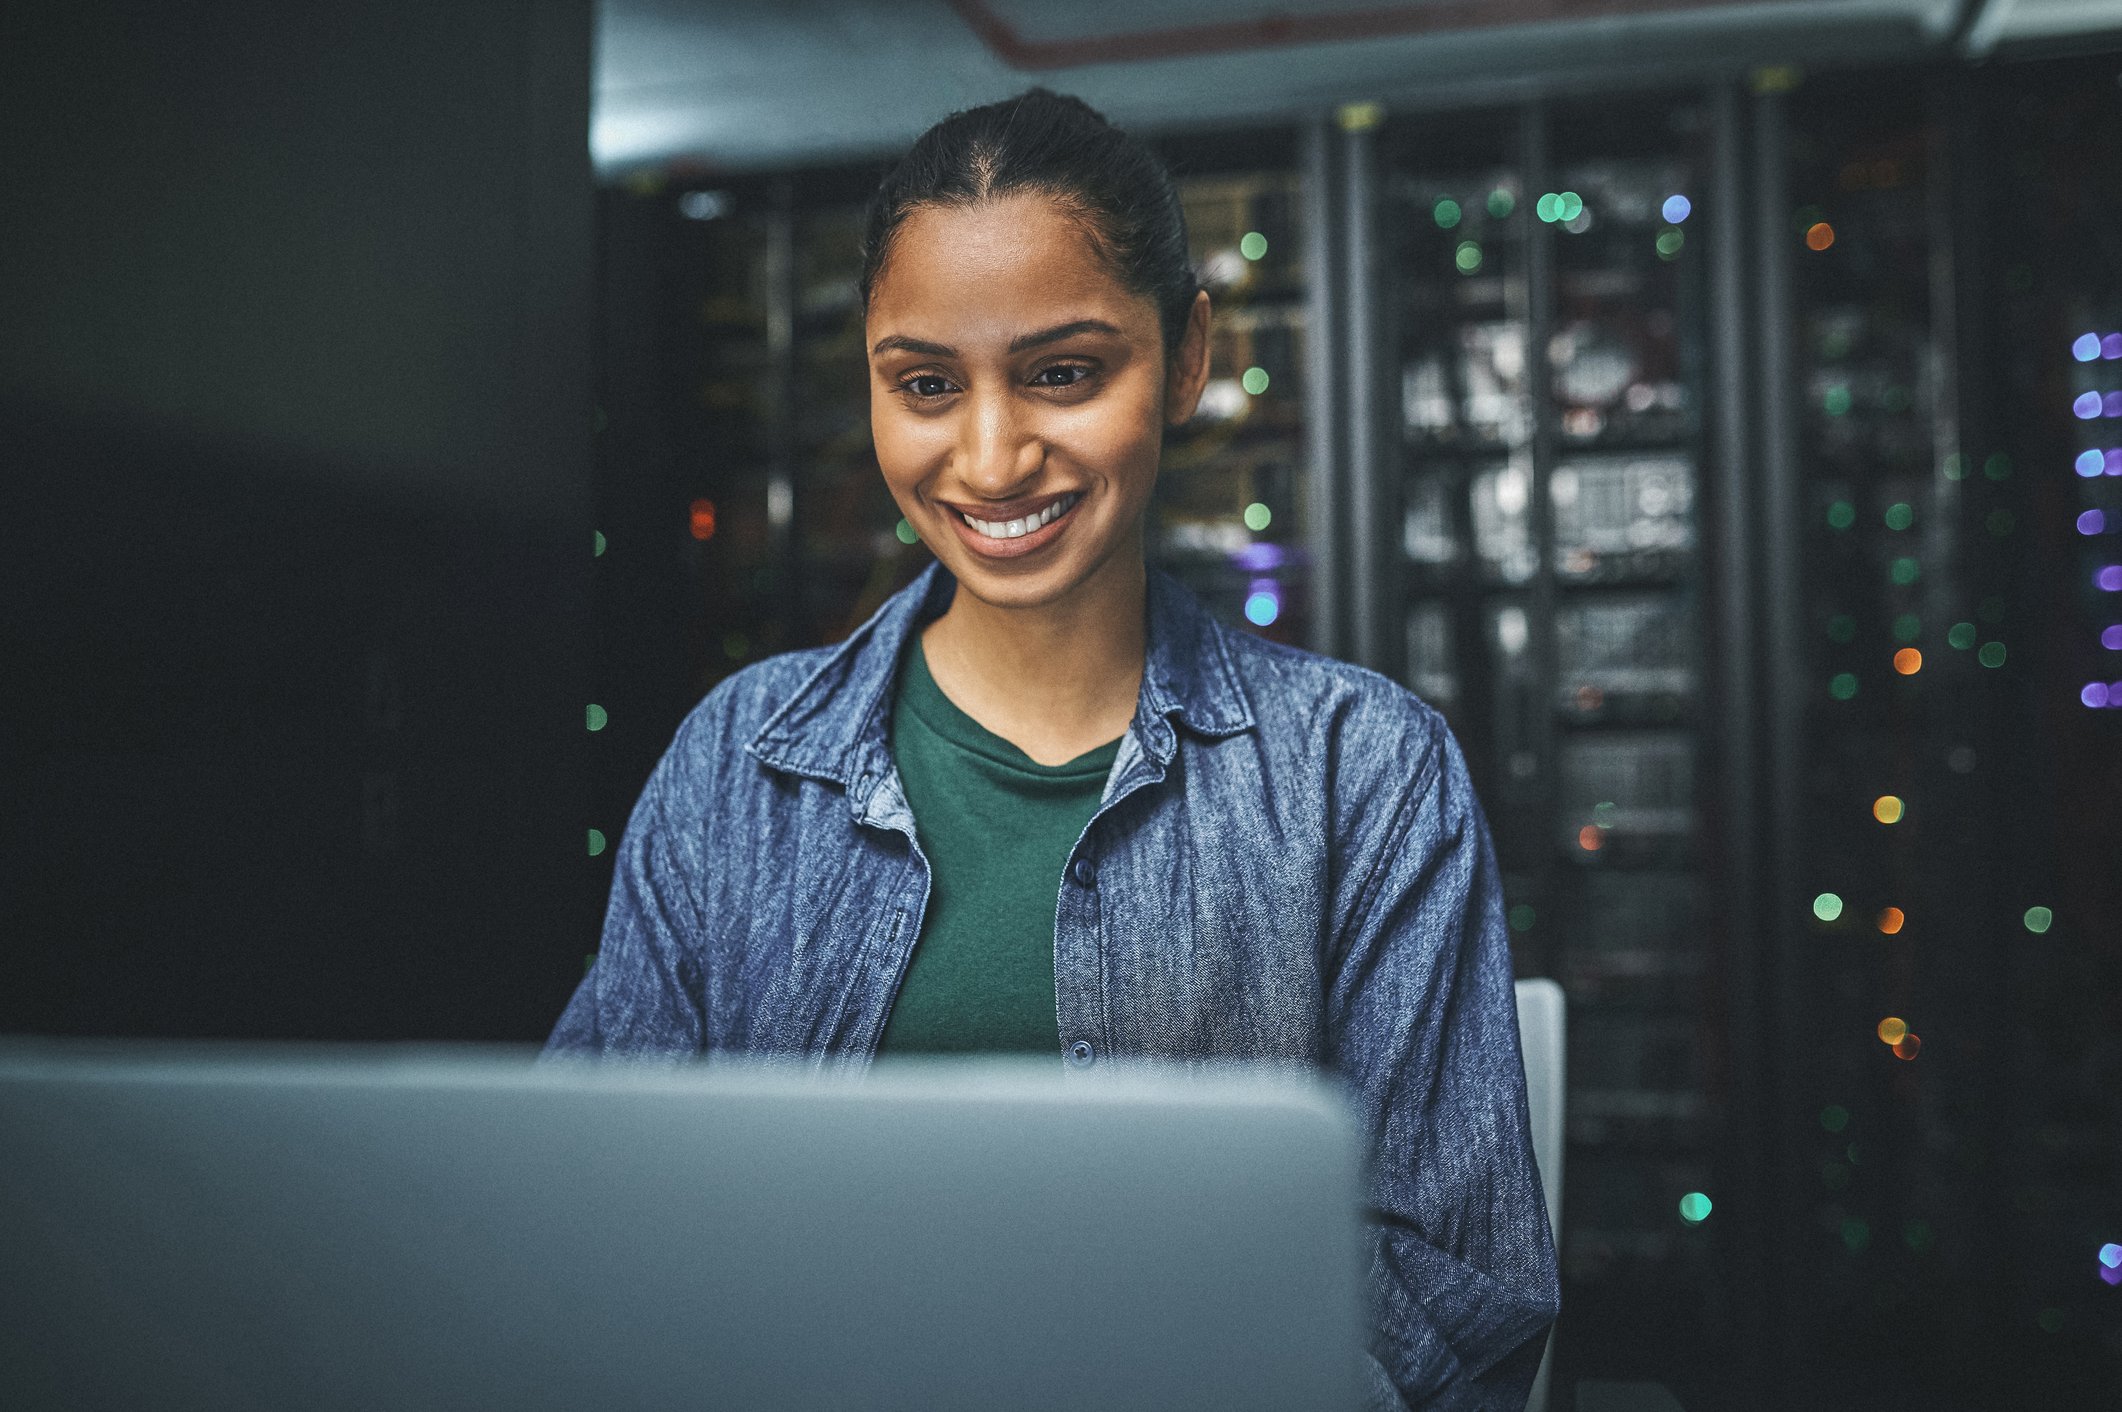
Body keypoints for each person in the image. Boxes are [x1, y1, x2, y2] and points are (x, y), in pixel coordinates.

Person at [544, 86, 1559, 1409]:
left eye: (1062, 372)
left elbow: (1448, 1275)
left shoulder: (1365, 771)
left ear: (1186, 355)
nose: (990, 456)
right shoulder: (735, 760)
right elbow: (589, 1209)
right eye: (922, 384)